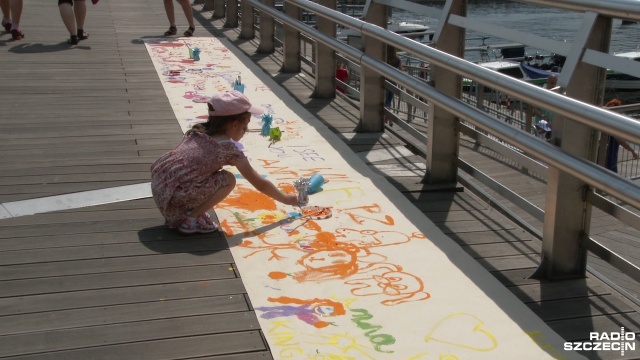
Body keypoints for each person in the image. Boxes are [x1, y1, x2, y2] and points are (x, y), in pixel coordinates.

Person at [150, 90, 299, 234]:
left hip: (161, 190)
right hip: (175, 200)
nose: (245, 131)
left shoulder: (197, 132)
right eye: (244, 127)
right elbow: (259, 183)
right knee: (228, 179)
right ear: (234, 124)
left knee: (207, 173)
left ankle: (190, 212)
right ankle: (191, 218)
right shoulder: (227, 149)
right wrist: (286, 199)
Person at [603, 99, 639, 173]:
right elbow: (620, 140)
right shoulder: (612, 123)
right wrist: (631, 150)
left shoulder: (609, 121)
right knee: (611, 171)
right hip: (609, 155)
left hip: (609, 154)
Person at [384, 46, 403, 127]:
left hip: (385, 80)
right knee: (389, 101)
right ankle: (389, 120)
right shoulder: (397, 59)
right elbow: (401, 70)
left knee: (386, 101)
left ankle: (388, 119)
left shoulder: (385, 58)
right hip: (393, 81)